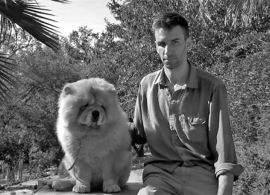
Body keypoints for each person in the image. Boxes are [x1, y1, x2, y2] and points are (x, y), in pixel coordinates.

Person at [129, 12, 244, 195]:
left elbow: (224, 153)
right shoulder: (146, 86)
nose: (167, 51)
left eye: (175, 42)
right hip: (161, 175)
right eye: (162, 44)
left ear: (188, 43)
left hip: (202, 175)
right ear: (156, 46)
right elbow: (138, 134)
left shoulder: (212, 87)